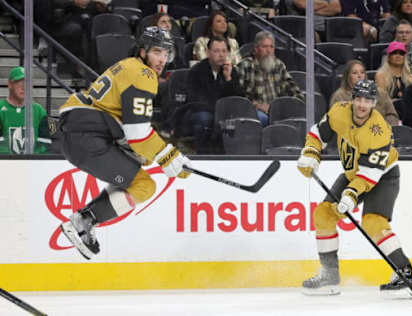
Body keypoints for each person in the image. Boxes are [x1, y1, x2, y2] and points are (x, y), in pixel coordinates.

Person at [58, 27, 193, 260]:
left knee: (141, 166)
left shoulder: (129, 66)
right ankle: (84, 220)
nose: (162, 59)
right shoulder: (143, 74)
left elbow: (136, 139)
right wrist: (169, 156)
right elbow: (138, 135)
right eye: (157, 52)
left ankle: (85, 218)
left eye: (166, 53)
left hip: (81, 130)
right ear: (143, 52)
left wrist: (161, 155)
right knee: (145, 186)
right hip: (86, 134)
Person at [296, 79, 412, 299]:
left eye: (368, 100)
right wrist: (311, 154)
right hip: (353, 173)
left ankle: (405, 274)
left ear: (374, 103)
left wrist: (351, 196)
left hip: (382, 176)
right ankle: (329, 276)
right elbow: (317, 134)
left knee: (373, 222)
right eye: (359, 99)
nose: (362, 105)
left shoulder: (380, 130)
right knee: (323, 214)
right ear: (352, 99)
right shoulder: (339, 111)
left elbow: (370, 174)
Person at [186, 36, 242, 153]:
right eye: (216, 51)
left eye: (224, 51)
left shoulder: (231, 71)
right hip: (202, 112)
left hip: (225, 114)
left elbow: (237, 98)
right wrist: (218, 110)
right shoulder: (196, 71)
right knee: (205, 118)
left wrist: (228, 79)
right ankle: (203, 156)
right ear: (208, 52)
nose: (221, 55)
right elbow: (195, 100)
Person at [236, 31, 304, 126]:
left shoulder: (278, 65)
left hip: (277, 109)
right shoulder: (245, 66)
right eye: (265, 47)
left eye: (271, 47)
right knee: (263, 119)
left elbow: (292, 87)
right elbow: (239, 96)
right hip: (254, 110)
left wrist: (298, 102)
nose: (269, 50)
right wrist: (258, 106)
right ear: (256, 49)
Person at [330, 60, 400, 126]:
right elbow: (335, 119)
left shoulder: (380, 93)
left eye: (362, 72)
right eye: (355, 73)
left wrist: (381, 127)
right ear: (348, 76)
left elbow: (392, 115)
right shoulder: (339, 96)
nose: (359, 76)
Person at [0, 66, 51, 154]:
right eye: (19, 83)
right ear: (9, 85)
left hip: (33, 165)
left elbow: (46, 143)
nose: (24, 87)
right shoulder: (1, 109)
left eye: (27, 84)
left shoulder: (39, 110)